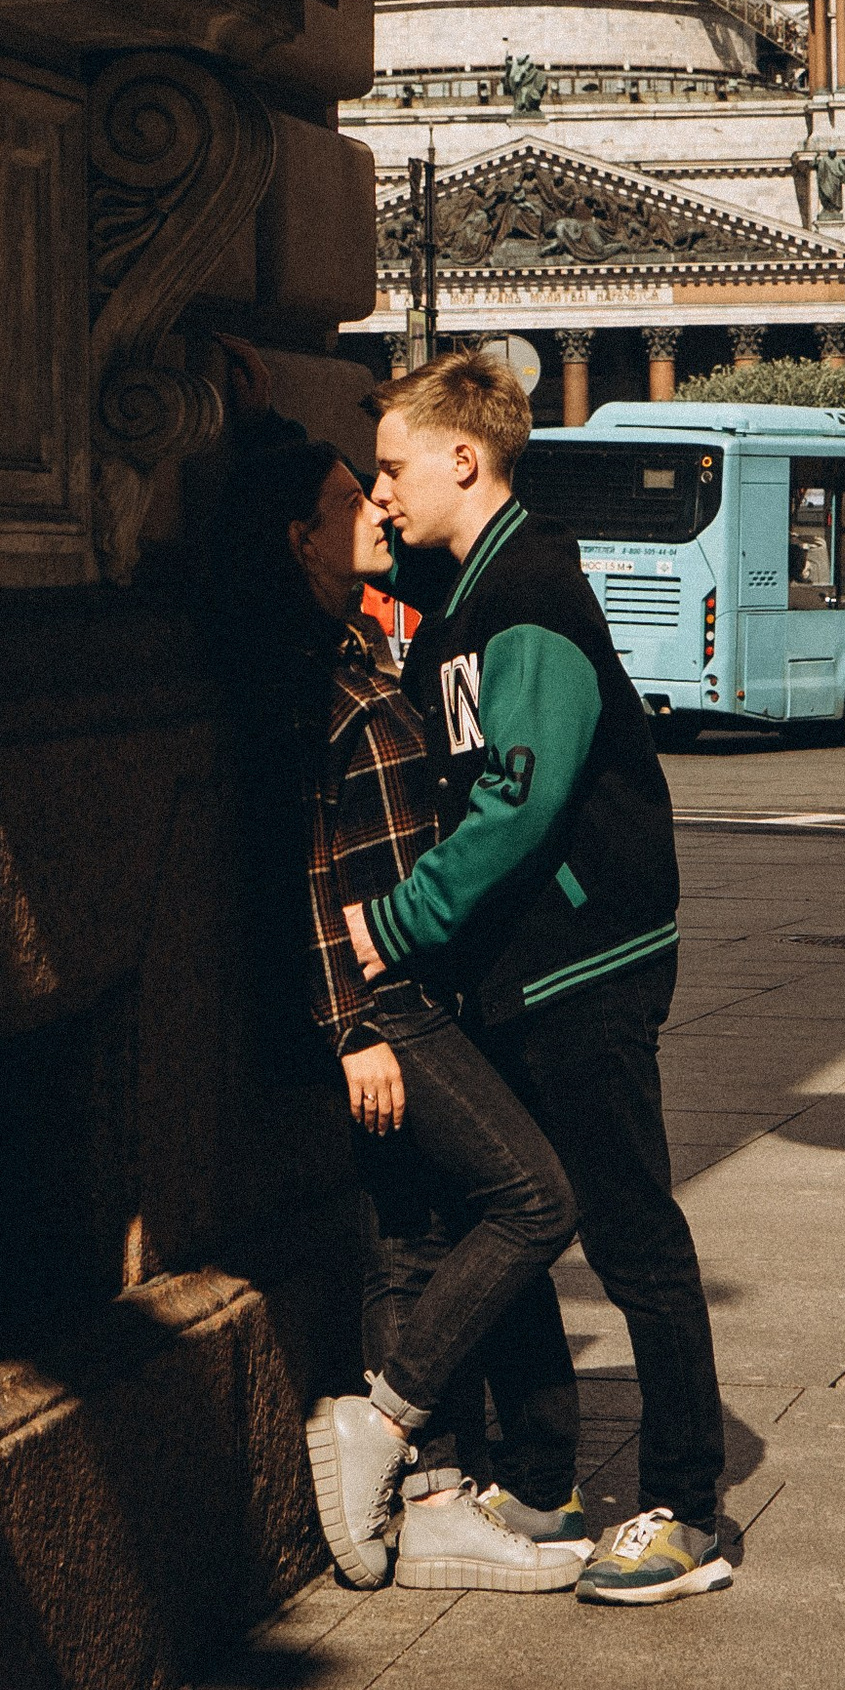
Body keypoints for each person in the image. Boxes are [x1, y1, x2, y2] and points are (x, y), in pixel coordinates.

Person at [352, 349, 733, 1606]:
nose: (379, 494)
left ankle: (688, 1511)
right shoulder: (471, 586)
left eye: (393, 468)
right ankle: (538, 1481)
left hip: (586, 961)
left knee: (630, 1235)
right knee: (512, 1212)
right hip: (519, 968)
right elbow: (379, 559)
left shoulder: (528, 597)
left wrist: (399, 923)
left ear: (463, 460)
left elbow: (518, 806)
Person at [212, 410, 592, 1599]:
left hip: (418, 984)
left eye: (380, 479)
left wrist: (253, 395)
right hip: (382, 1002)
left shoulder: (357, 639)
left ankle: (429, 1507)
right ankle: (379, 1421)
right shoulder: (294, 678)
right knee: (536, 1198)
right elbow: (297, 873)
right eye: (351, 496)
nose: (378, 503)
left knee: (410, 1233)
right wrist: (353, 1029)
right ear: (299, 539)